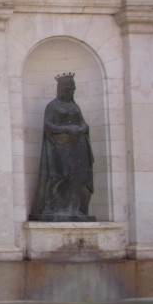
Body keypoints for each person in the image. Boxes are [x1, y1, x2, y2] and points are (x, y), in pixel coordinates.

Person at [30, 73, 94, 221]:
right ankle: (52, 206)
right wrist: (69, 129)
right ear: (62, 88)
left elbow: (83, 123)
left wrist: (81, 128)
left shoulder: (75, 106)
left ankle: (74, 208)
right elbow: (48, 125)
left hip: (78, 147)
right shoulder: (53, 106)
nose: (72, 90)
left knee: (79, 177)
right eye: (70, 87)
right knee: (60, 175)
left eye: (73, 88)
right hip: (59, 148)